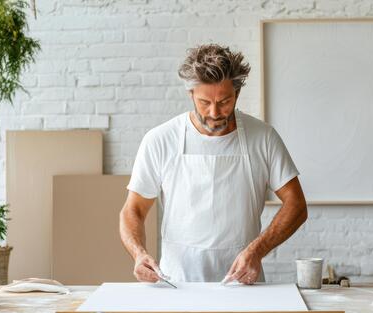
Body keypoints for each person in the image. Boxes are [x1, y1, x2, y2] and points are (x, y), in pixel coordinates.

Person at [120, 43, 307, 284]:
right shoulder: (160, 140)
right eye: (204, 102)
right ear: (191, 94)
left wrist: (257, 250)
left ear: (237, 94)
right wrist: (139, 254)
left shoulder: (262, 137)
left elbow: (297, 205)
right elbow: (132, 210)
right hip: (178, 283)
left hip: (243, 284)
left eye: (224, 101)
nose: (214, 112)